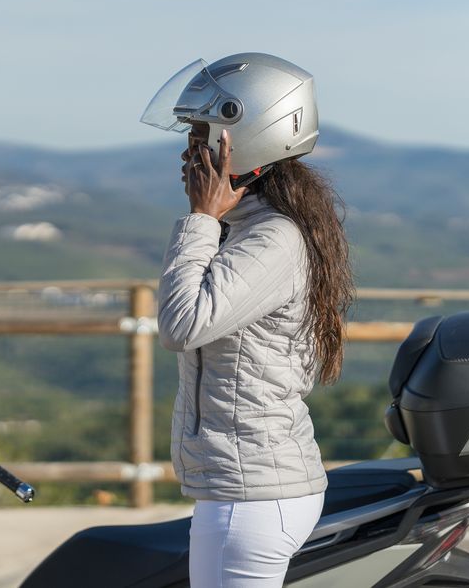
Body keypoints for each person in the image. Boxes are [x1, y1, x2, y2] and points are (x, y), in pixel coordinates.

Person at [140, 53, 354, 587]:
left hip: (251, 494)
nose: (190, 150)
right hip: (247, 485)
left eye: (201, 135)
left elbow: (181, 324)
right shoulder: (255, 227)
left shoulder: (272, 237)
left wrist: (199, 220)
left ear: (250, 135)